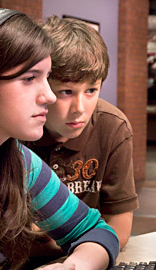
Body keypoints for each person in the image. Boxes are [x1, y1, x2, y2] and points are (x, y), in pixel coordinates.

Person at [0, 2, 119, 270]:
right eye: (29, 79)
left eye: (46, 77)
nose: (48, 96)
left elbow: (95, 230)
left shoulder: (19, 162)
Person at [26, 15, 139, 250]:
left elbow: (119, 225)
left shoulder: (113, 127)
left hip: (84, 257)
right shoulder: (16, 128)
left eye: (91, 90)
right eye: (66, 91)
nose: (80, 108)